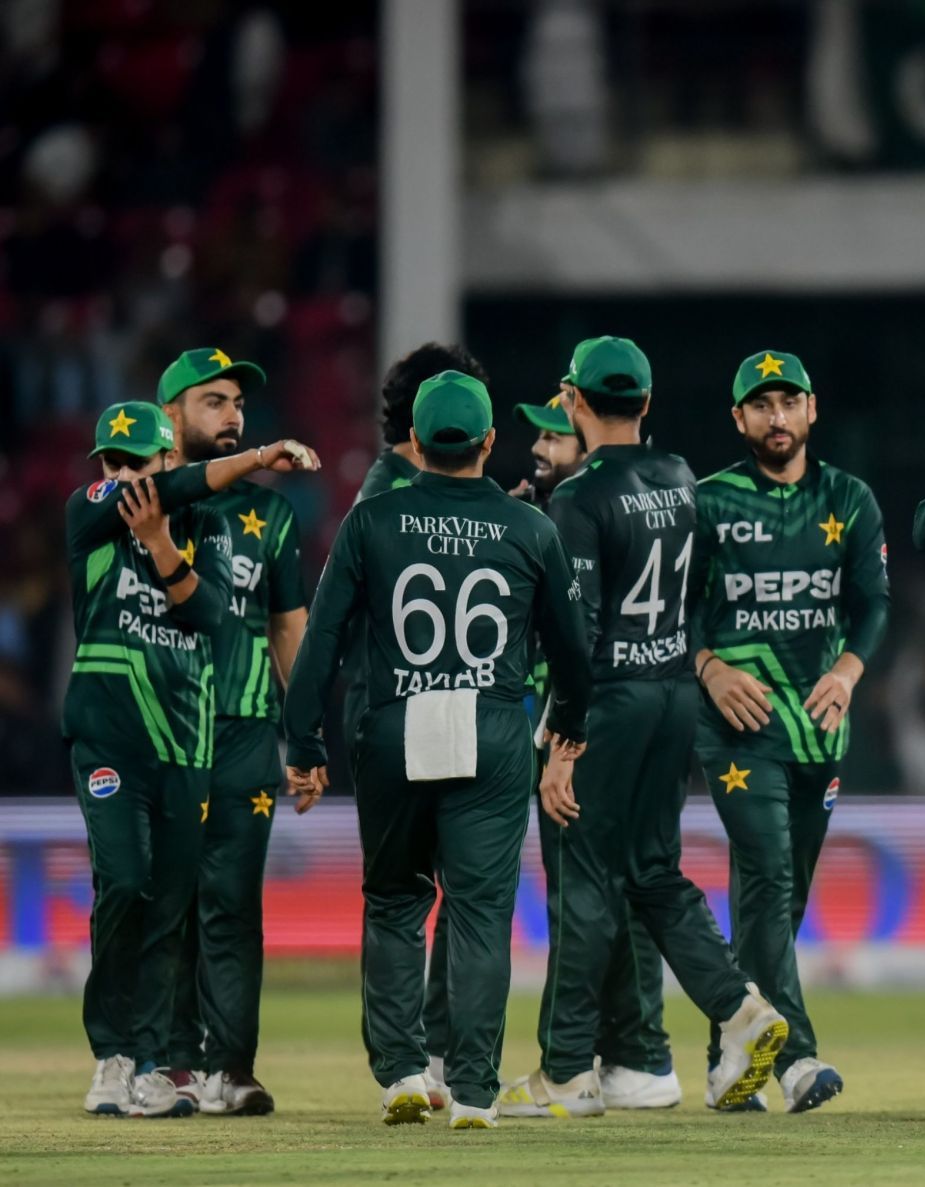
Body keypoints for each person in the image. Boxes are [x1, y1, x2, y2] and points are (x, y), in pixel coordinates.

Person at [281, 371, 591, 1129]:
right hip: (491, 726)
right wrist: (568, 729)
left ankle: (402, 1076)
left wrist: (303, 739)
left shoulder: (372, 520)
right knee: (482, 913)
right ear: (490, 442)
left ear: (414, 442)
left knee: (394, 902)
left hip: (395, 723)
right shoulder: (532, 528)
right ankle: (477, 1092)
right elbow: (574, 656)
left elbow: (321, 640)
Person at [500, 336, 789, 1119]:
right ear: (648, 403)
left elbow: (578, 634)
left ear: (572, 399)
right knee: (655, 872)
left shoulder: (579, 495)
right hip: (672, 695)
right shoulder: (679, 476)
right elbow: (694, 594)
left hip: (612, 703)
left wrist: (563, 745)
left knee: (584, 878)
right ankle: (741, 1009)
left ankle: (565, 1073)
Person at [66, 399, 319, 1117]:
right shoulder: (87, 516)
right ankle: (110, 1052)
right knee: (124, 882)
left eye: (134, 464)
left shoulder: (206, 529)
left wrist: (160, 547)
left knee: (170, 904)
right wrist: (257, 456)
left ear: (167, 458)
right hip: (109, 736)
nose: (118, 477)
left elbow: (209, 614)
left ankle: (148, 1064)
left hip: (184, 744)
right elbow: (157, 499)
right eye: (109, 464)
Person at [690, 350, 890, 1113]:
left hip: (818, 731)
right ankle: (797, 1060)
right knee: (770, 879)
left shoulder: (851, 498)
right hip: (740, 728)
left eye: (788, 400)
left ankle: (726, 1057)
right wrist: (707, 666)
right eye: (760, 403)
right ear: (738, 419)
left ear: (812, 410)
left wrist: (846, 672)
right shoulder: (707, 503)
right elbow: (670, 613)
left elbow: (873, 603)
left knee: (780, 897)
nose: (776, 415)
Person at [500, 390, 683, 1113]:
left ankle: (609, 1058)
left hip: (583, 729)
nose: (541, 449)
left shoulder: (586, 512)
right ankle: (629, 1055)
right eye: (536, 437)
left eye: (556, 437)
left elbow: (582, 640)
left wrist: (563, 741)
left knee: (595, 892)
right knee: (607, 890)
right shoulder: (554, 517)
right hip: (586, 723)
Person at [153, 349, 308, 1117]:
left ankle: (232, 1066)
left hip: (245, 732)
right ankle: (171, 1061)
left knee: (231, 904)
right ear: (172, 412)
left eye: (239, 403)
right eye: (213, 401)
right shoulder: (138, 501)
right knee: (163, 900)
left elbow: (288, 629)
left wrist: (305, 736)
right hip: (156, 732)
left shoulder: (271, 515)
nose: (234, 415)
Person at [351, 342, 489, 1111]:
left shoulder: (386, 493)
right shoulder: (407, 496)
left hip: (399, 710)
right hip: (423, 709)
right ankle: (420, 1056)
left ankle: (414, 1059)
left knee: (411, 892)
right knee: (427, 891)